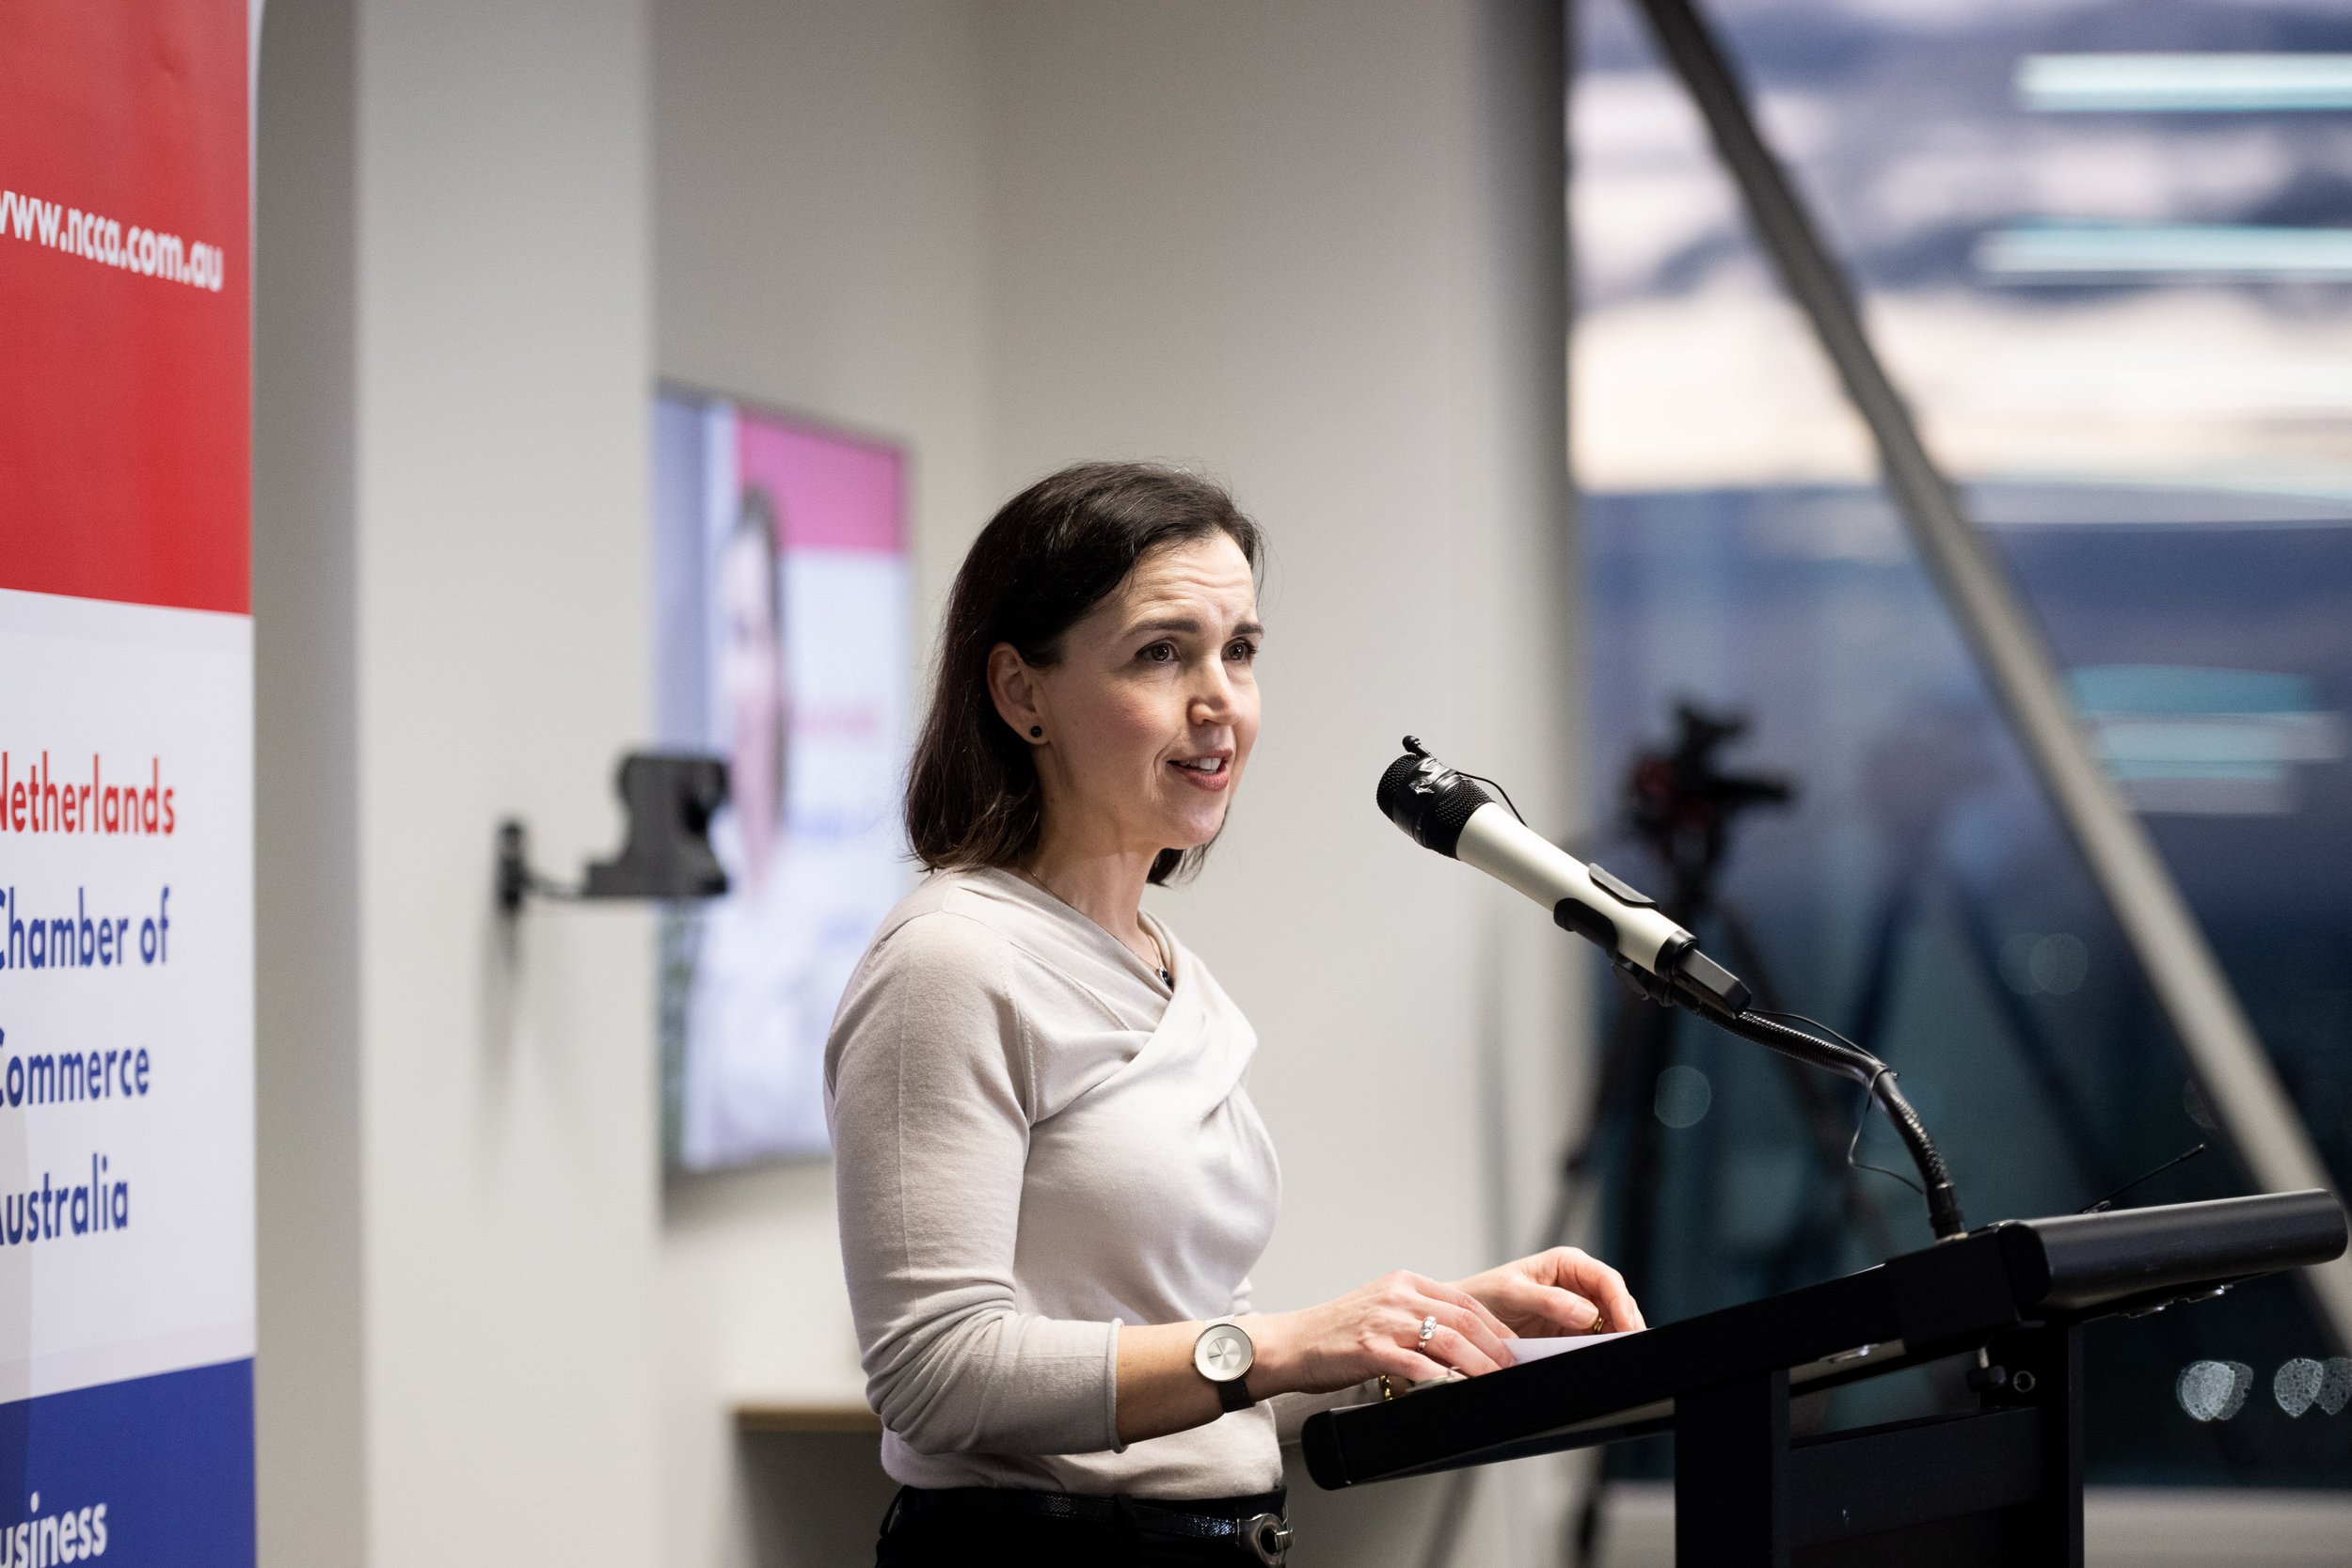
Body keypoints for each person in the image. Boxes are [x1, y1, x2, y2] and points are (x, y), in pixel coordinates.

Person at [826, 462, 1645, 1566]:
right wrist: (1274, 1343)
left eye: (1240, 650)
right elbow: (933, 1372)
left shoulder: (1170, 970)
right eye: (1162, 653)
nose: (1221, 702)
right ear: (1022, 693)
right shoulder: (953, 961)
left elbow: (1200, 1368)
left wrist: (1412, 1332)